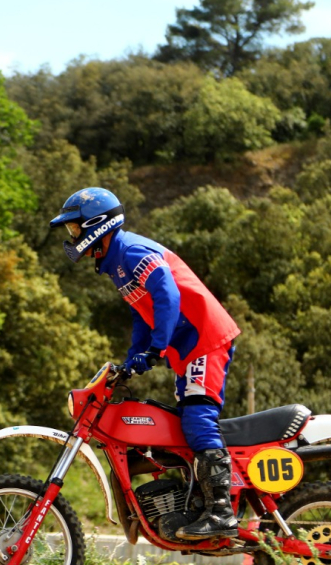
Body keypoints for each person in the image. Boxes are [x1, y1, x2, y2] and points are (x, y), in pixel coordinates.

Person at [50, 187, 242, 540]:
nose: (73, 236)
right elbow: (144, 312)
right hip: (188, 349)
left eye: (75, 228)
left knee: (197, 420)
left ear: (96, 225)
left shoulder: (133, 252)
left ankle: (221, 512)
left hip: (204, 339)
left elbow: (167, 294)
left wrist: (156, 348)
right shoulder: (116, 265)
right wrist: (133, 357)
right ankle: (197, 502)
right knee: (180, 427)